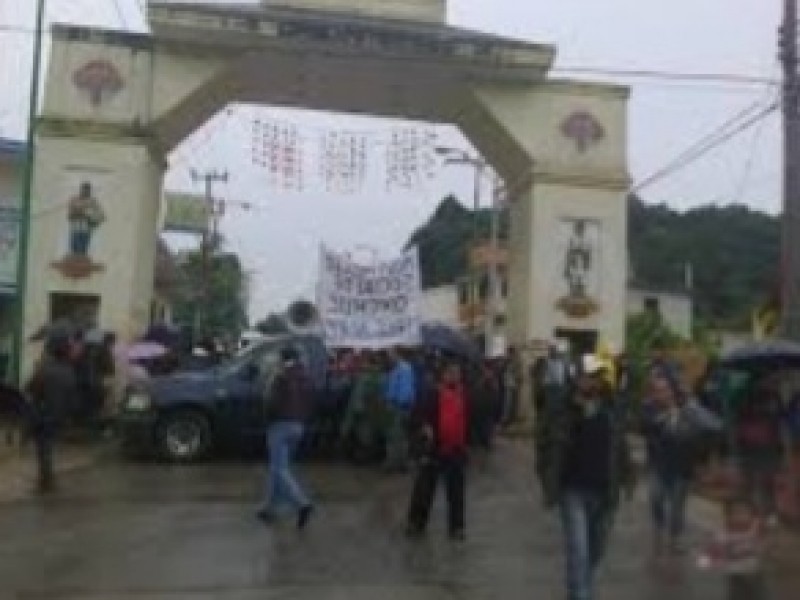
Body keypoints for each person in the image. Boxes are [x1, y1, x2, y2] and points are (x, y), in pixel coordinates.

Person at [537, 355, 634, 600]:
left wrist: (628, 475)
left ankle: (580, 589)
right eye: (587, 376)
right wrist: (547, 478)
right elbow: (545, 444)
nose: (592, 381)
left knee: (595, 552)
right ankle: (581, 593)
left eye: (597, 376)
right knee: (578, 553)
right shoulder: (562, 408)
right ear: (576, 377)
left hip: (605, 491)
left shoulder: (612, 408)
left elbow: (621, 446)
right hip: (573, 490)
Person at [641, 371, 722, 556]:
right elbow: (647, 426)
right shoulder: (650, 409)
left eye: (665, 390)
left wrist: (691, 405)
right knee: (657, 499)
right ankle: (659, 527)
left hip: (681, 467)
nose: (662, 394)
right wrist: (666, 415)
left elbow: (714, 426)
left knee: (677, 506)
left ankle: (675, 538)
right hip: (658, 464)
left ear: (672, 391)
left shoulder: (689, 410)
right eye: (657, 391)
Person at [406, 361, 470, 541]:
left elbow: (470, 417)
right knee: (424, 489)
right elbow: (416, 416)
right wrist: (424, 426)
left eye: (457, 373)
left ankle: (457, 527)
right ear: (443, 375)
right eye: (450, 372)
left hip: (456, 449)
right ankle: (416, 523)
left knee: (456, 492)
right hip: (434, 449)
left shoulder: (464, 394)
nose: (454, 376)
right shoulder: (432, 394)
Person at [257, 347, 314, 529]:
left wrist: (266, 418)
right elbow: (311, 401)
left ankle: (302, 503)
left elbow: (270, 402)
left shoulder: (280, 376)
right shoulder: (305, 376)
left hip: (280, 425)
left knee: (280, 469)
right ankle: (269, 508)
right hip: (298, 425)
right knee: (279, 468)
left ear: (283, 358)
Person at [24, 333, 79, 493]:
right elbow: (72, 397)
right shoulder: (69, 371)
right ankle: (46, 478)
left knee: (43, 448)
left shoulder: (44, 369)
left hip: (42, 413)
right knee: (47, 446)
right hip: (58, 415)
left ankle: (46, 479)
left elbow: (30, 389)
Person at [737, 375, 786, 524]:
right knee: (752, 481)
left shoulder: (775, 397)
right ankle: (753, 512)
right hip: (754, 446)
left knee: (767, 481)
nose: (774, 383)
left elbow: (780, 419)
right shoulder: (749, 397)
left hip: (768, 445)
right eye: (772, 381)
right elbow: (742, 418)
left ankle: (768, 512)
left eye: (775, 381)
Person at [699, 496, 768, 600]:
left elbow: (765, 544)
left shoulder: (756, 529)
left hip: (755, 573)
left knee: (759, 593)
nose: (740, 517)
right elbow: (713, 551)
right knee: (736, 594)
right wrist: (708, 560)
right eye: (735, 513)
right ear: (728, 516)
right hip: (736, 574)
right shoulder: (725, 533)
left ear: (752, 515)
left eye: (744, 513)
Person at [383, 348, 416, 471]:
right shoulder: (400, 369)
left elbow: (402, 389)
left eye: (391, 354)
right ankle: (400, 462)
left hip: (398, 406)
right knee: (400, 435)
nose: (389, 358)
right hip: (401, 405)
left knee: (395, 435)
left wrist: (392, 400)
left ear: (397, 354)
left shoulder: (402, 369)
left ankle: (395, 462)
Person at [501, 346, 523, 427]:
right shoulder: (507, 361)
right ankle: (507, 419)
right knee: (508, 403)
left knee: (510, 403)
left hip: (512, 385)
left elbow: (518, 373)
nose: (508, 354)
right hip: (509, 384)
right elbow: (503, 369)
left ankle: (508, 419)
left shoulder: (516, 361)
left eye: (509, 352)